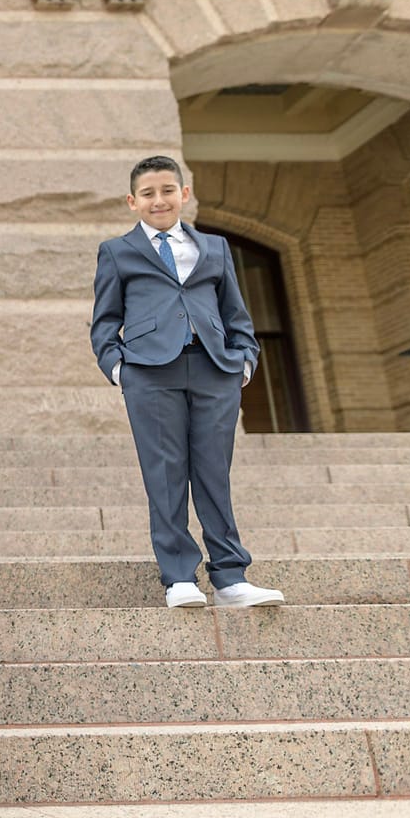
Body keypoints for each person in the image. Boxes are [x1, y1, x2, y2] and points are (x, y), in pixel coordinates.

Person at [90, 156, 286, 610]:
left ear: (184, 193)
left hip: (215, 369)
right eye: (148, 193)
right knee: (165, 473)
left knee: (214, 473)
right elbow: (105, 322)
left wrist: (245, 361)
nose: (158, 199)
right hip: (149, 373)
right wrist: (120, 369)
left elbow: (236, 314)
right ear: (132, 202)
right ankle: (179, 577)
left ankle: (231, 577)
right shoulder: (117, 252)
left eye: (166, 190)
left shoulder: (215, 248)